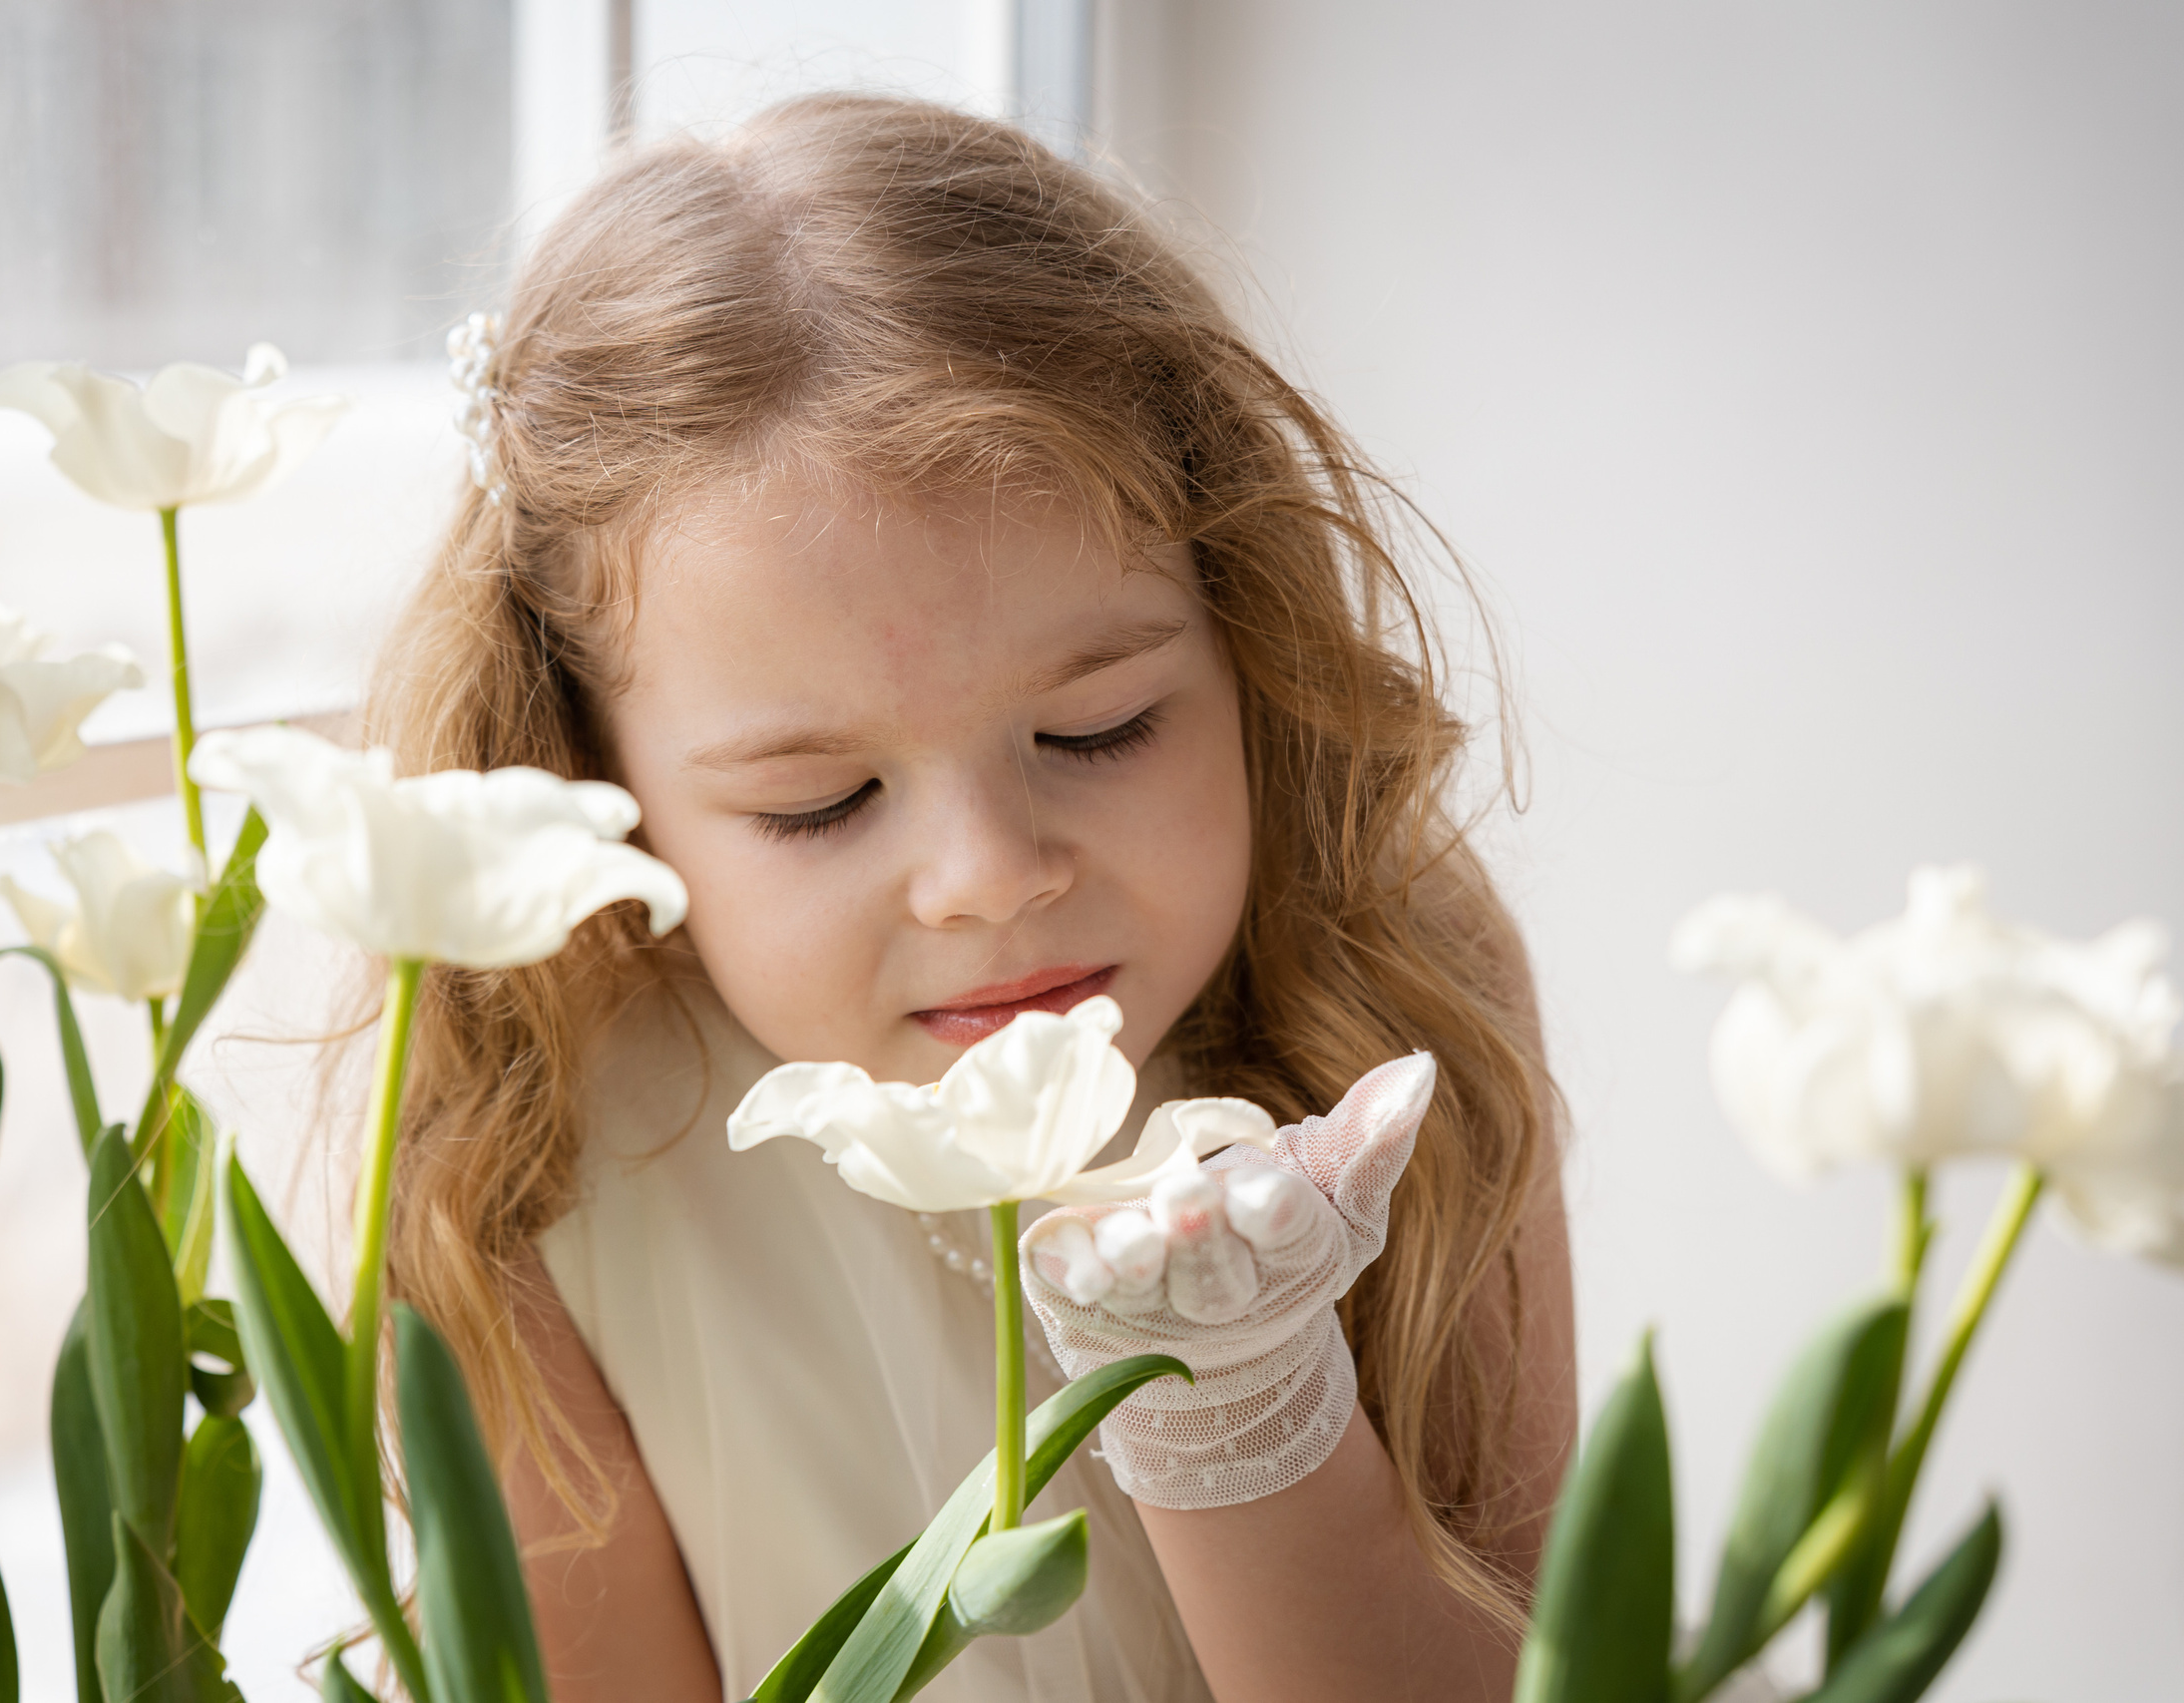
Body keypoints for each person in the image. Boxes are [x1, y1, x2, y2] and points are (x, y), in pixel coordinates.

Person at [369, 92, 1575, 1702]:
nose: (992, 875)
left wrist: (1231, 1393)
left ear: (1240, 632)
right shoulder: (521, 1143)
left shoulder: (1396, 974)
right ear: (597, 776)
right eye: (822, 803)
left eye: (1101, 728)